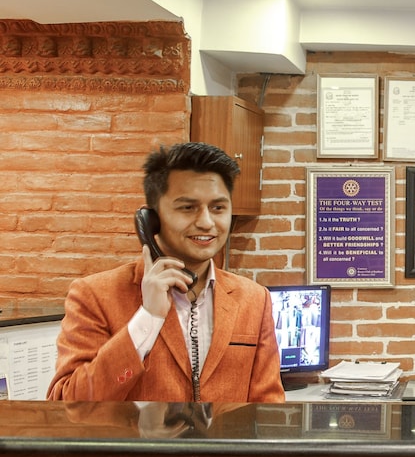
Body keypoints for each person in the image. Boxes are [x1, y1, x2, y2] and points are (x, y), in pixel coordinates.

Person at [47, 142, 285, 403]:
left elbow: (268, 408)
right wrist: (148, 316)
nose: (206, 222)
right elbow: (67, 406)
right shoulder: (95, 295)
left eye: (218, 208)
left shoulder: (254, 299)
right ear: (152, 220)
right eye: (187, 207)